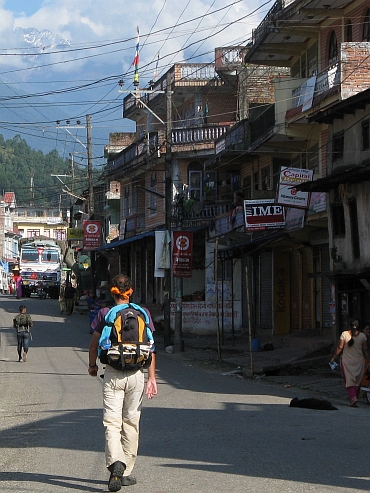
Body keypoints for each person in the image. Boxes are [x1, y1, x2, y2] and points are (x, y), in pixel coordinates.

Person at [88, 274, 157, 492]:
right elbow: (151, 349)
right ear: (130, 292)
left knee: (112, 422)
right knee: (131, 422)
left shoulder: (105, 313)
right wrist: (152, 378)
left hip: (113, 373)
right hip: (136, 375)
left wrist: (92, 366)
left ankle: (116, 462)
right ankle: (126, 472)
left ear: (112, 292)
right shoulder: (142, 313)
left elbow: (93, 346)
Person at [330, 318, 370, 406]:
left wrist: (333, 358)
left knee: (348, 380)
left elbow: (340, 348)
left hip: (347, 361)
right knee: (358, 381)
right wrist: (368, 361)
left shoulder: (344, 334)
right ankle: (355, 397)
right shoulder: (363, 336)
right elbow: (366, 350)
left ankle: (353, 398)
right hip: (359, 361)